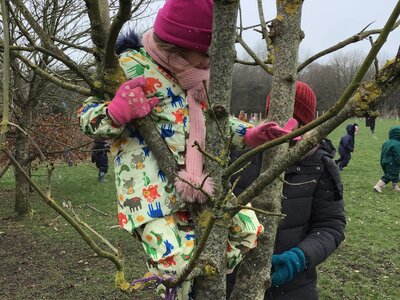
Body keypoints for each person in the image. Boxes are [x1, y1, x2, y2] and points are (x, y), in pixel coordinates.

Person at [77, 1, 298, 298]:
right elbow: (87, 117)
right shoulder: (129, 68)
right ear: (176, 46)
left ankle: (207, 274)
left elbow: (213, 121)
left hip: (203, 183)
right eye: (205, 53)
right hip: (150, 194)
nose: (210, 61)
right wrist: (116, 112)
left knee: (248, 229)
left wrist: (250, 134)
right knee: (176, 266)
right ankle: (182, 287)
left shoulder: (197, 79)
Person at [227, 81, 346, 300]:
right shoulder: (240, 156)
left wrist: (299, 258)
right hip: (233, 281)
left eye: (296, 121)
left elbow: (331, 226)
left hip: (294, 288)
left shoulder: (321, 167)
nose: (286, 129)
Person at [373, 125, 400, 192]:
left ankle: (395, 187)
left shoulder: (386, 142)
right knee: (391, 175)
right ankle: (378, 185)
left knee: (394, 174)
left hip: (384, 161)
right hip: (392, 163)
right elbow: (398, 154)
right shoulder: (397, 144)